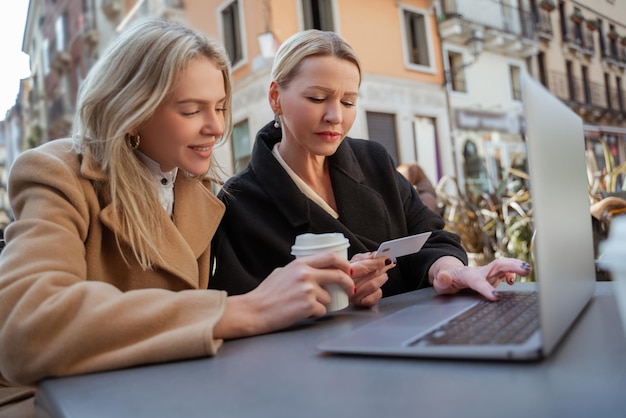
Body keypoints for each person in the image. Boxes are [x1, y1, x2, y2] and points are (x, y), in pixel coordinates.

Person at [0, 19, 370, 418]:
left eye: (220, 108)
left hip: (159, 391)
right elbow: (27, 328)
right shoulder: (57, 173)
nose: (214, 128)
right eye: (191, 109)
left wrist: (318, 289)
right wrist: (241, 310)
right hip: (55, 401)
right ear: (133, 108)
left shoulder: (196, 191)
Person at [210, 29, 531, 304]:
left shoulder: (373, 159)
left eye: (348, 102)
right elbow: (246, 309)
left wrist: (449, 270)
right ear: (275, 97)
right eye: (318, 98)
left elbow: (431, 235)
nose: (336, 116)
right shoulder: (240, 201)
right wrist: (332, 298)